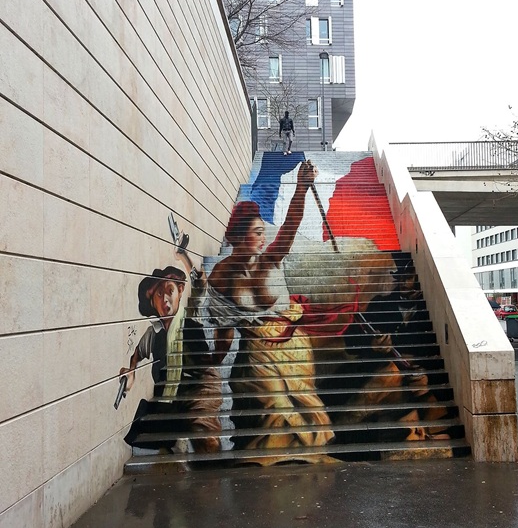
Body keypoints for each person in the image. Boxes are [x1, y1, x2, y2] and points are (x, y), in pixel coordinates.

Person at [206, 160, 355, 461]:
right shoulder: (220, 277)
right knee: (275, 409)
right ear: (237, 237)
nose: (264, 238)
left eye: (263, 232)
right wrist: (210, 363)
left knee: (308, 409)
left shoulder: (271, 259)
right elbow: (224, 330)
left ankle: (308, 463)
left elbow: (290, 225)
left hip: (294, 349)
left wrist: (301, 187)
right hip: (258, 354)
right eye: (257, 233)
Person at [120, 247, 223, 453]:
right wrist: (131, 372)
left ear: (180, 292)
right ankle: (174, 444)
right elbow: (138, 353)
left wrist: (184, 255)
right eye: (159, 294)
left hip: (199, 387)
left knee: (204, 435)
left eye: (170, 291)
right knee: (143, 429)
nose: (165, 298)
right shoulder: (154, 333)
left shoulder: (190, 315)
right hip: (171, 395)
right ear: (153, 302)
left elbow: (200, 284)